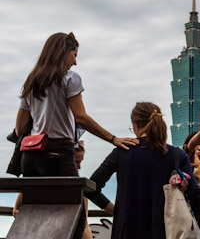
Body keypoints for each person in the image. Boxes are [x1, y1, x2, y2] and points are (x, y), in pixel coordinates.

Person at [15, 32, 138, 239]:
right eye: (74, 54)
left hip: (31, 158)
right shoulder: (70, 78)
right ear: (64, 53)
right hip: (59, 154)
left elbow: (20, 129)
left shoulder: (32, 81)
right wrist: (113, 138)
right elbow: (80, 117)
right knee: (78, 218)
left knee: (36, 216)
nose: (76, 61)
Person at [86, 102, 200, 239]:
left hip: (125, 231)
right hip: (166, 232)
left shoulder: (121, 153)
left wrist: (116, 211)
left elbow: (90, 188)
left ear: (135, 124)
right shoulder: (177, 155)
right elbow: (195, 193)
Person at [75, 141, 93, 239]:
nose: (79, 167)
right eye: (76, 162)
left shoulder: (81, 190)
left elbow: (84, 224)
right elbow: (18, 209)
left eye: (80, 162)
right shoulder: (42, 184)